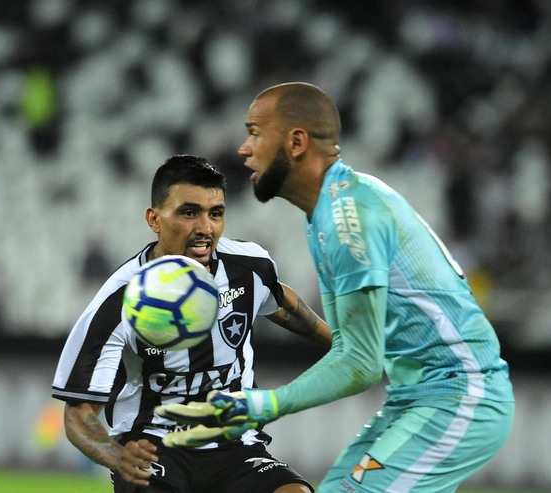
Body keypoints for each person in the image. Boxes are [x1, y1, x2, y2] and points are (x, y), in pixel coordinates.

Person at [158, 83, 516, 493]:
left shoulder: (349, 220)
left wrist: (266, 404)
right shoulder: (329, 211)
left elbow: (362, 363)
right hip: (418, 396)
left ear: (296, 142)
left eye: (255, 132)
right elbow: (350, 347)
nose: (244, 148)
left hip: (459, 395)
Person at [51, 154, 331, 493]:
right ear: (154, 219)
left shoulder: (249, 268)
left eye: (215, 213)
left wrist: (345, 344)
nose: (205, 228)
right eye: (189, 212)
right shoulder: (119, 300)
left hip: (235, 444)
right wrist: (117, 456)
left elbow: (281, 302)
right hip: (154, 447)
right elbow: (78, 413)